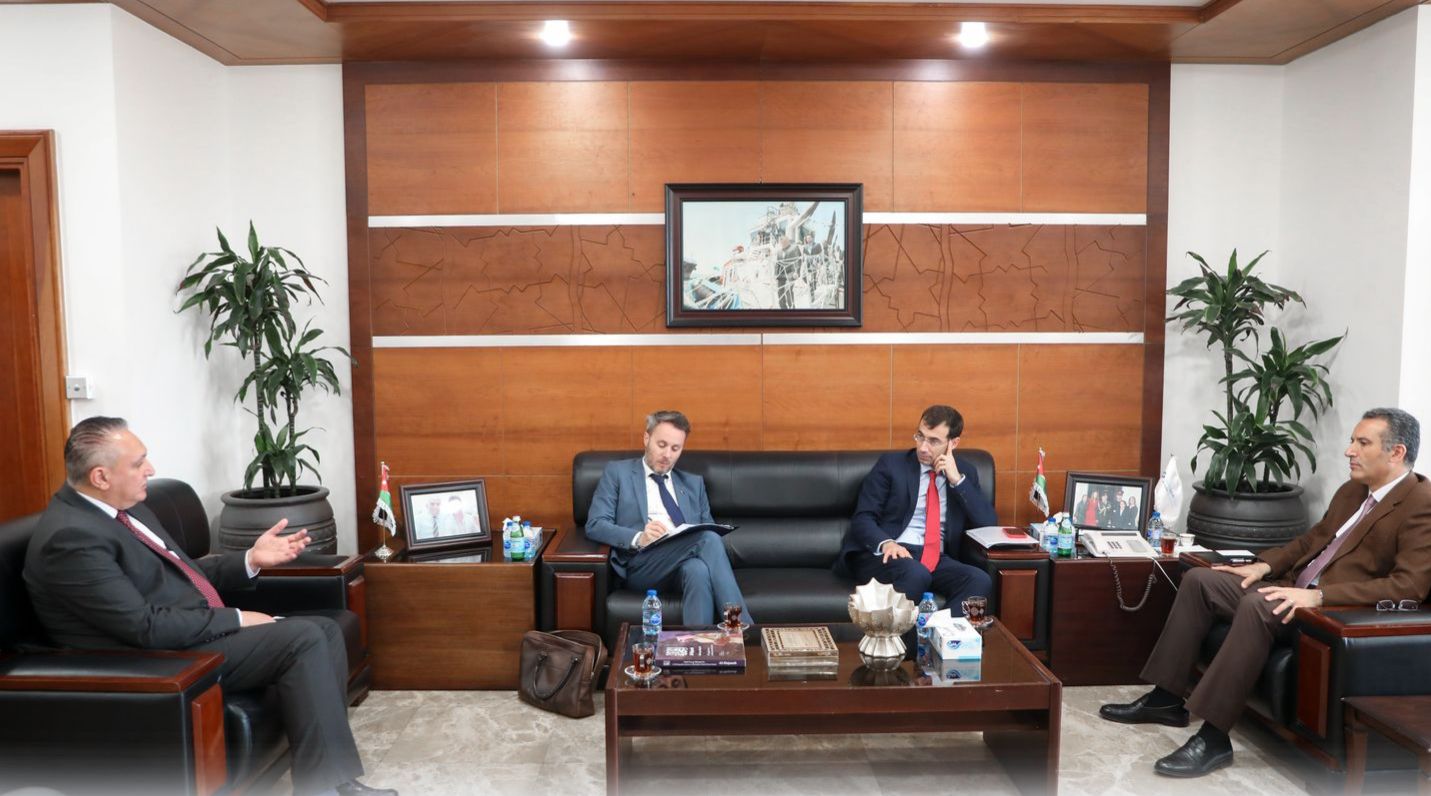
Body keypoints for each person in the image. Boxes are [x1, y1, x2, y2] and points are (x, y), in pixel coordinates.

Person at [23, 417, 395, 796]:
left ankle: (331, 782)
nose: (150, 469)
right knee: (302, 638)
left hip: (186, 632)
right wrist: (236, 619)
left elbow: (183, 571)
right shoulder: (71, 539)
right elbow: (143, 627)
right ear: (101, 477)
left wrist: (251, 558)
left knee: (325, 630)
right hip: (160, 659)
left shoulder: (125, 508)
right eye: (138, 463)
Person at [1100, 407, 1431, 778]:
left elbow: (1409, 585)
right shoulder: (1353, 491)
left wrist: (1320, 597)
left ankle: (1213, 737)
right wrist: (1263, 566)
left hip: (1328, 611)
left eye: (1362, 443)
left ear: (1396, 452)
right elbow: (1312, 540)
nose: (1349, 450)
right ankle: (1165, 698)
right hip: (1292, 587)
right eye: (1352, 440)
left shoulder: (1421, 503)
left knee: (1259, 604)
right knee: (1201, 581)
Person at [585, 410, 752, 626]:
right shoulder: (618, 473)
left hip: (682, 564)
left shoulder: (693, 484)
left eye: (675, 448)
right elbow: (595, 524)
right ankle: (741, 627)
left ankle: (696, 643)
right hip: (642, 565)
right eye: (661, 445)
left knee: (698, 570)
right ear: (646, 438)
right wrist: (639, 537)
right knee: (707, 539)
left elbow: (708, 528)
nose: (667, 455)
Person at [835, 404, 996, 607]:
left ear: (953, 443)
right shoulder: (891, 465)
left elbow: (987, 524)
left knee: (979, 580)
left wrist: (957, 481)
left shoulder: (965, 472)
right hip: (888, 554)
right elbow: (863, 518)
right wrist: (887, 543)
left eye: (933, 441)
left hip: (935, 558)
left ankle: (938, 627)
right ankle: (899, 629)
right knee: (916, 574)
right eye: (920, 436)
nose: (923, 447)